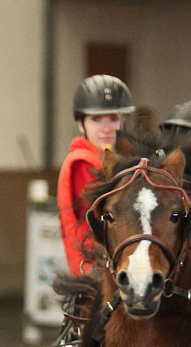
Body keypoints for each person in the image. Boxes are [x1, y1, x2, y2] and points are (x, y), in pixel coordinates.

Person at [57, 74, 135, 274]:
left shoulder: (106, 160)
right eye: (96, 119)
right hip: (98, 268)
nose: (106, 128)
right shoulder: (83, 162)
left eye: (114, 118)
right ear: (81, 124)